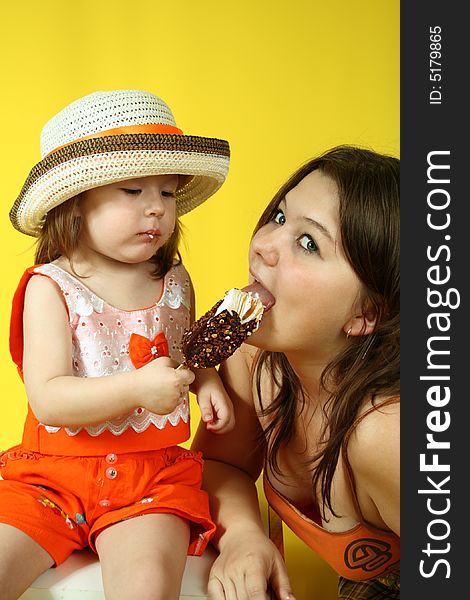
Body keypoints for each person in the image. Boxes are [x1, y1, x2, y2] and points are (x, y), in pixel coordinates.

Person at [0, 89, 234, 600]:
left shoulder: (175, 280)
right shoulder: (51, 287)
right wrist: (137, 388)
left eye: (167, 193)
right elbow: (49, 398)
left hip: (151, 479)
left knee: (147, 587)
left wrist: (207, 380)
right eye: (133, 190)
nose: (156, 209)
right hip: (51, 478)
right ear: (76, 203)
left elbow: (179, 354)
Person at [192, 145, 400, 600]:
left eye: (309, 243)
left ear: (367, 312)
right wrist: (246, 535)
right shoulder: (256, 362)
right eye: (281, 218)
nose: (264, 244)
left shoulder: (387, 435)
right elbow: (219, 464)